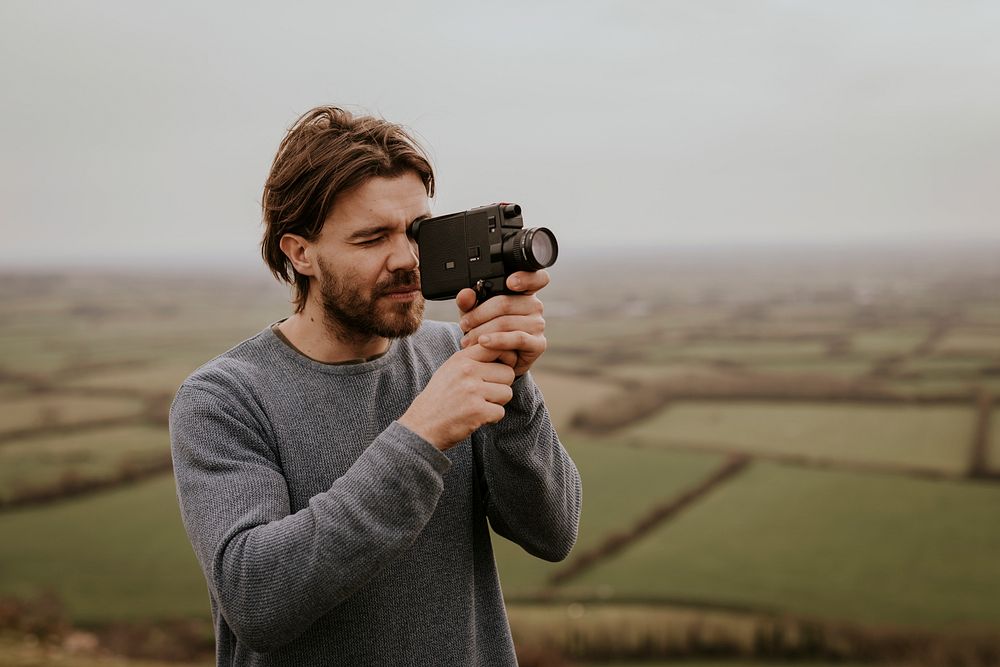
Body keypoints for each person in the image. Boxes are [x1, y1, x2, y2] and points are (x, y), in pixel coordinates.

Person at [168, 106, 582, 666]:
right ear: (300, 252)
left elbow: (553, 532)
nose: (407, 260)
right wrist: (422, 435)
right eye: (371, 239)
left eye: (416, 232)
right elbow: (255, 599)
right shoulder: (224, 398)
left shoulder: (453, 356)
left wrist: (513, 382)